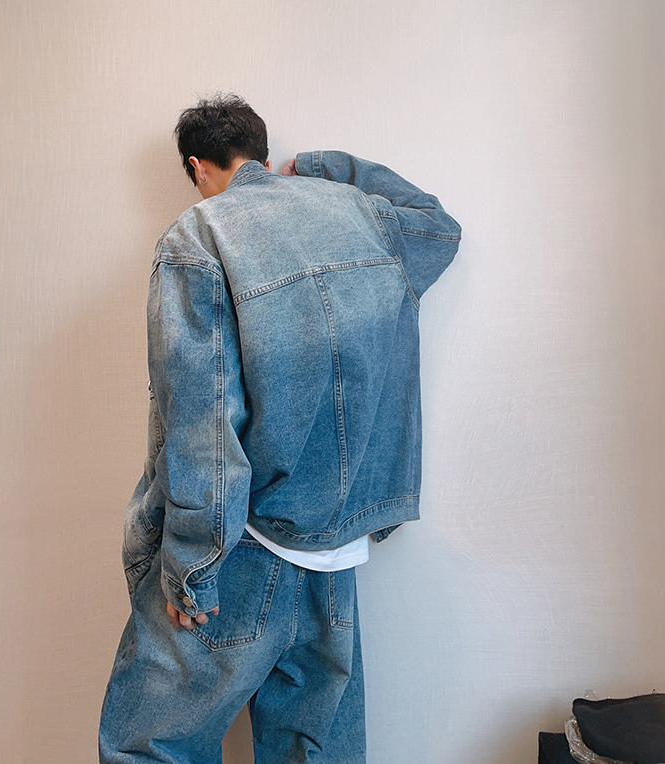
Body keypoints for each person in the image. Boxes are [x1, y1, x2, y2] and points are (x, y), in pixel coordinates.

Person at [99, 93, 461, 764]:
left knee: (150, 746)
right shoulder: (360, 215)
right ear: (263, 155)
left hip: (240, 543)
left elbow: (202, 415)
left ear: (197, 166)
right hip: (337, 547)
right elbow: (439, 228)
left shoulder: (199, 236)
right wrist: (327, 166)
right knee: (314, 751)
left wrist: (193, 562)